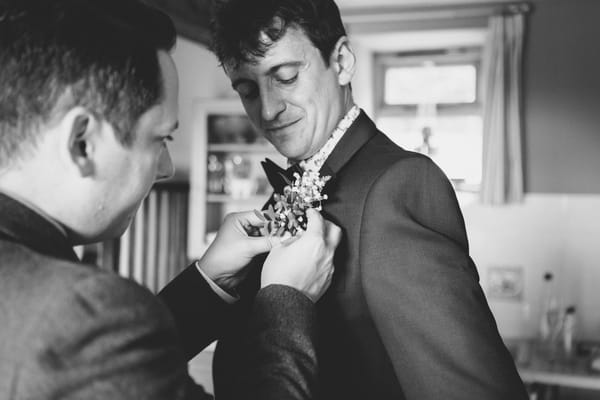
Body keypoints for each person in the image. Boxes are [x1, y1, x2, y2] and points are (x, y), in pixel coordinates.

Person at [0, 1, 341, 399]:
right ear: (82, 141)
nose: (164, 167)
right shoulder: (81, 314)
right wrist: (287, 301)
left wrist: (209, 279)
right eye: (161, 138)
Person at [204, 0, 530, 399]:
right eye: (248, 90)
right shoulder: (286, 191)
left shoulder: (398, 185)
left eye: (286, 76)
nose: (268, 110)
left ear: (341, 61)